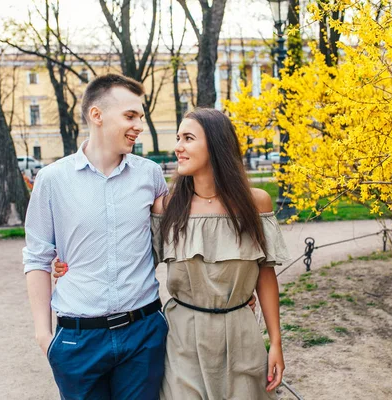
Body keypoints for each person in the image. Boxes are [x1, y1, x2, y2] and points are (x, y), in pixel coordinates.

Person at [56, 108, 289, 399]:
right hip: (182, 338)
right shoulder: (166, 208)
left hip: (241, 334)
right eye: (178, 137)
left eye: (188, 138)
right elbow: (132, 260)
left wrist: (276, 344)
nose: (177, 147)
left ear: (216, 145)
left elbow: (265, 276)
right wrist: (69, 264)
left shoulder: (257, 203)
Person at [22, 73, 169, 399]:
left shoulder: (151, 175)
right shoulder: (52, 180)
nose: (139, 125)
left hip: (143, 333)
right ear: (97, 115)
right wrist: (44, 336)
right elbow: (37, 257)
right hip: (78, 341)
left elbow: (174, 240)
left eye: (140, 117)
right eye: (130, 115)